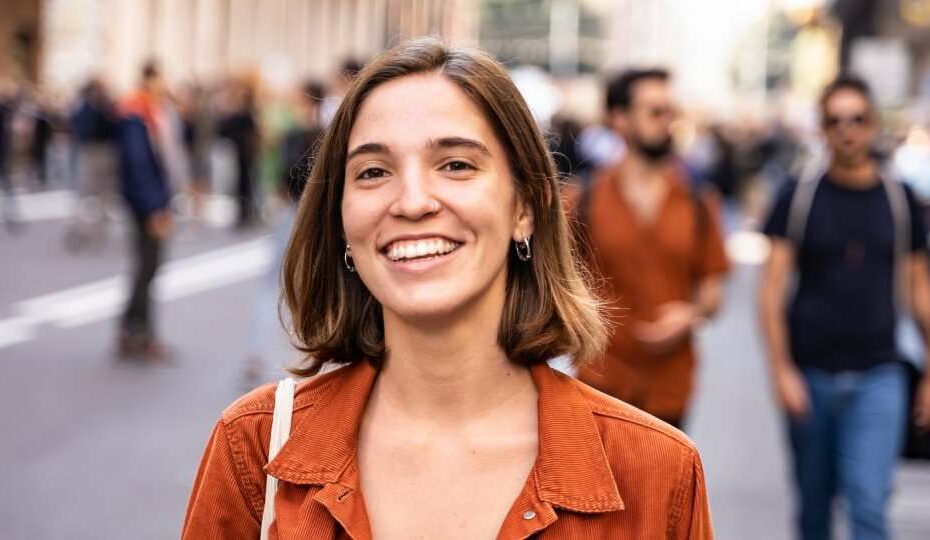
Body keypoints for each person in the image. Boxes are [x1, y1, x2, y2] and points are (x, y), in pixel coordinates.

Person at [183, 39, 712, 539]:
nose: (413, 202)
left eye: (456, 165)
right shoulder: (254, 446)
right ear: (341, 222)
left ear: (525, 208)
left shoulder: (658, 472)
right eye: (373, 172)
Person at [759, 74, 930, 540]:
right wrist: (781, 371)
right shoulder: (798, 196)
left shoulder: (900, 200)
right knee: (814, 513)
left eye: (857, 119)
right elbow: (771, 290)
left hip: (880, 374)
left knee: (869, 507)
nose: (847, 130)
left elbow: (919, 290)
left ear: (873, 125)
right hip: (811, 375)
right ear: (822, 128)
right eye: (835, 121)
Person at [574, 69, 730, 430]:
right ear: (620, 119)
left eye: (671, 112)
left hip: (669, 387)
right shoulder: (582, 201)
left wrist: (692, 315)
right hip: (600, 383)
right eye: (655, 112)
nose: (667, 122)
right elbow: (560, 283)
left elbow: (713, 292)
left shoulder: (698, 202)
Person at [115, 61, 173, 360]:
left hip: (148, 201)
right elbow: (138, 165)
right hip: (146, 204)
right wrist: (154, 208)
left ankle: (132, 329)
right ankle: (138, 332)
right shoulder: (137, 113)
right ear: (150, 78)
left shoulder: (147, 109)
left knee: (147, 267)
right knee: (147, 267)